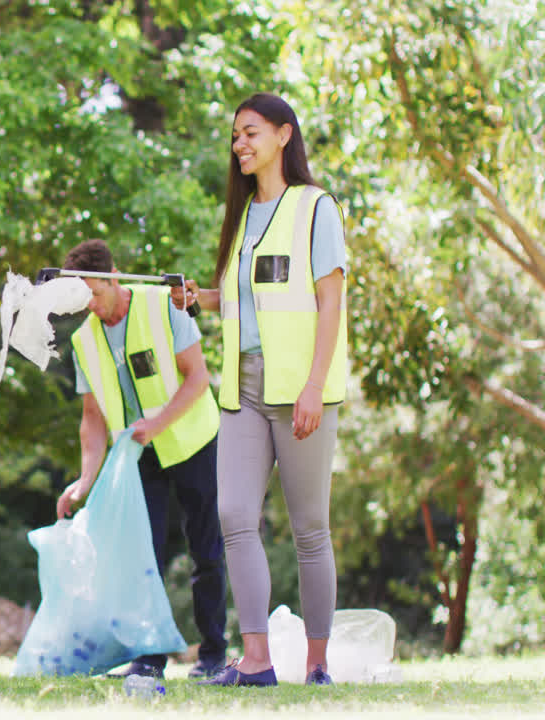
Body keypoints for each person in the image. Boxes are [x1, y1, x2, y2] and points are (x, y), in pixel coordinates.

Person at [174, 92, 348, 687]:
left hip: (300, 387)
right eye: (235, 137)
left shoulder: (316, 208)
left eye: (250, 133)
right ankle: (256, 661)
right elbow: (245, 300)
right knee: (233, 514)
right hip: (242, 391)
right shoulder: (244, 216)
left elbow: (330, 301)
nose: (240, 145)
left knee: (309, 528)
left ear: (283, 135)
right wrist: (201, 299)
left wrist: (314, 385)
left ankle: (318, 664)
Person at [55, 239, 229, 681]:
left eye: (95, 293)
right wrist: (84, 479)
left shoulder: (162, 305)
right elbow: (92, 418)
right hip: (139, 454)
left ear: (114, 278)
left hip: (192, 439)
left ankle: (212, 654)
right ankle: (149, 658)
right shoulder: (83, 340)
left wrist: (159, 422)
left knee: (205, 550)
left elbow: (198, 378)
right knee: (142, 555)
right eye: (81, 298)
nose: (91, 305)